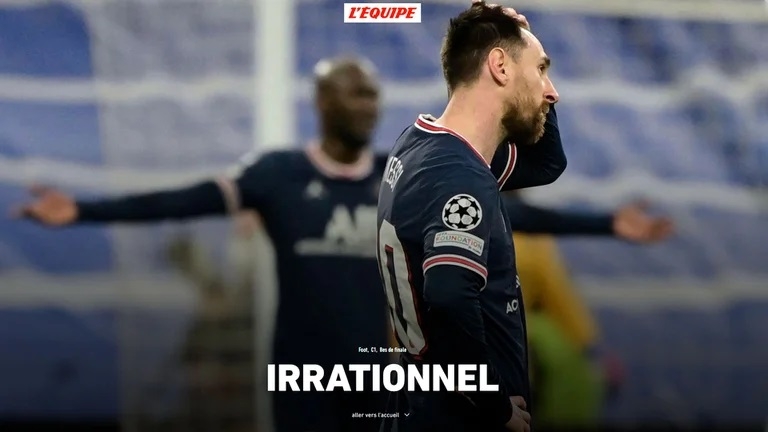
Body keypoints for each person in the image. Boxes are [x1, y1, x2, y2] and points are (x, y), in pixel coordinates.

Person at [15, 57, 390, 432]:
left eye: (373, 95)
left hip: (379, 374)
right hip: (302, 376)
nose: (369, 106)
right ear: (323, 100)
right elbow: (181, 201)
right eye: (357, 94)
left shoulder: (397, 178)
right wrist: (83, 210)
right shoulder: (279, 174)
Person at [376, 2, 565, 431]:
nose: (552, 92)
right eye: (541, 69)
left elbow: (547, 164)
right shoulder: (460, 176)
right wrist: (494, 405)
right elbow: (449, 296)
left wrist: (519, 37)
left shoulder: (419, 142)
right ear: (499, 66)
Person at [505, 195, 673, 428]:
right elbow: (557, 293)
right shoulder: (527, 240)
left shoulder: (469, 210)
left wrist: (608, 223)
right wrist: (589, 347)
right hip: (507, 362)